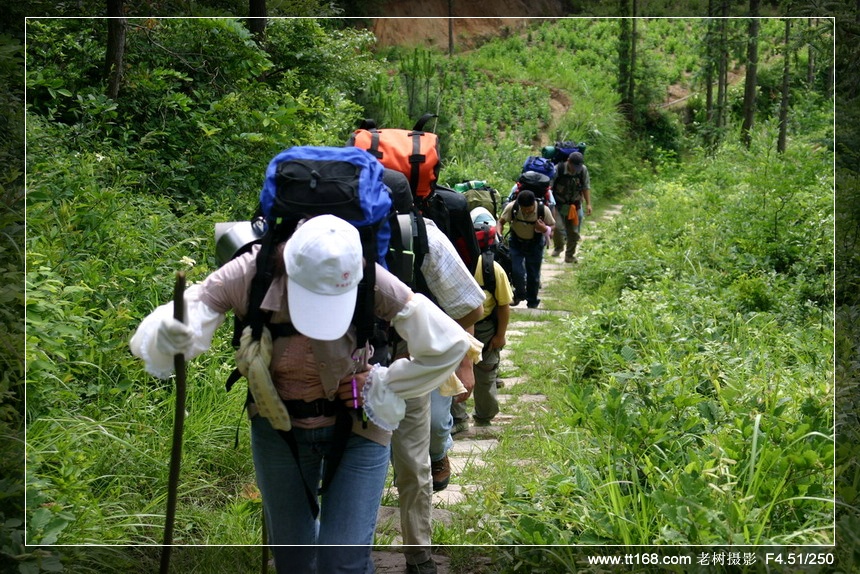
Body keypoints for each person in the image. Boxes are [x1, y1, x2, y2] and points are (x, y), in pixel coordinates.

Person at [129, 214, 480, 574]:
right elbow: (193, 308)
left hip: (358, 427)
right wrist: (172, 332)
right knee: (294, 561)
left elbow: (448, 344)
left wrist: (385, 382)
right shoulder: (253, 271)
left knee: (344, 562)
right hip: (278, 429)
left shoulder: (368, 275)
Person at [385, 174, 485, 574]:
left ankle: (343, 551)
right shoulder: (420, 234)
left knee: (349, 459)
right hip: (408, 363)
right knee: (412, 457)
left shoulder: (325, 229)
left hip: (339, 361)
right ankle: (419, 554)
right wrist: (462, 361)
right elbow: (470, 306)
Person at [451, 208, 513, 429]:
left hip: (483, 328)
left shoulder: (490, 269)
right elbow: (504, 305)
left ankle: (483, 415)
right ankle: (459, 418)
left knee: (482, 373)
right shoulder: (491, 268)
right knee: (462, 373)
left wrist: (500, 335)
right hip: (461, 326)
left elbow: (504, 305)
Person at [497, 190, 554, 309]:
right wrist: (499, 234)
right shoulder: (513, 207)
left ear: (534, 203)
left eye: (529, 209)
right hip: (516, 243)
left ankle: (532, 302)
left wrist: (544, 228)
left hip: (535, 244)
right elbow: (501, 222)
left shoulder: (543, 210)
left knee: (533, 274)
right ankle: (520, 294)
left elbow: (553, 226)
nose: (527, 211)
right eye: (524, 209)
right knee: (516, 270)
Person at [551, 151, 592, 263]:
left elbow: (585, 186)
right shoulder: (557, 169)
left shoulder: (583, 170)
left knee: (574, 232)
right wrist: (549, 204)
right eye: (574, 166)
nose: (575, 169)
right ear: (568, 161)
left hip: (575, 205)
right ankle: (558, 247)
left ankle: (569, 255)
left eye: (577, 167)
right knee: (558, 228)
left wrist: (588, 204)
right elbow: (549, 187)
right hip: (558, 204)